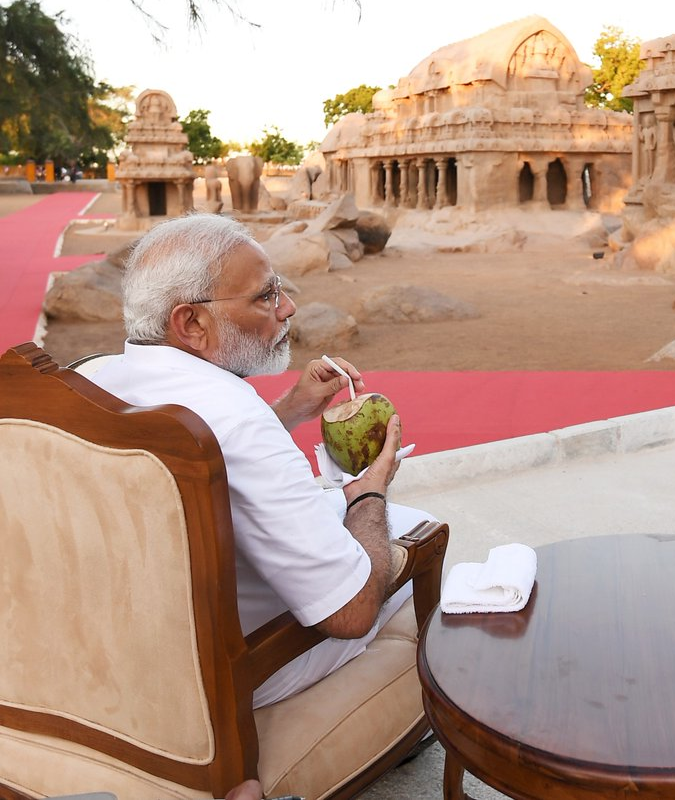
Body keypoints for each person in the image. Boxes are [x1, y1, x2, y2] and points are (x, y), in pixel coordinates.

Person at [91, 213, 436, 707]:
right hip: (229, 664)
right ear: (191, 322)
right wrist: (369, 492)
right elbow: (350, 613)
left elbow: (206, 458)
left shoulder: (100, 377)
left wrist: (290, 409)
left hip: (134, 647)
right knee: (419, 530)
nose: (288, 307)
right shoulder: (238, 417)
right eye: (265, 295)